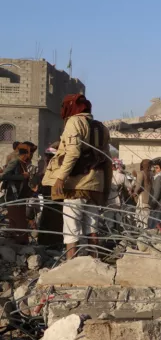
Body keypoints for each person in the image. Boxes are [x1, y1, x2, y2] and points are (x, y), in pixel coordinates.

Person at [41, 94, 112, 259]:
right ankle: (94, 260)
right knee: (92, 226)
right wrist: (106, 190)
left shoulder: (74, 122)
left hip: (76, 185)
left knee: (71, 226)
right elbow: (107, 161)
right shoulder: (101, 127)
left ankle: (71, 263)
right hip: (95, 186)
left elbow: (73, 152)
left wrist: (60, 177)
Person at [1, 143, 36, 244]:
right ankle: (16, 243)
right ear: (25, 154)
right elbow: (3, 176)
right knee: (15, 220)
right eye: (30, 153)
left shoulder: (23, 163)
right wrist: (21, 177)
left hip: (21, 196)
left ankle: (21, 242)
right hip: (13, 196)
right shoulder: (15, 162)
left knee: (21, 219)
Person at [150, 160, 161, 227]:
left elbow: (157, 193)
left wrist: (152, 203)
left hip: (158, 205)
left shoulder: (159, 178)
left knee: (155, 224)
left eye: (157, 168)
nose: (155, 170)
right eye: (155, 168)